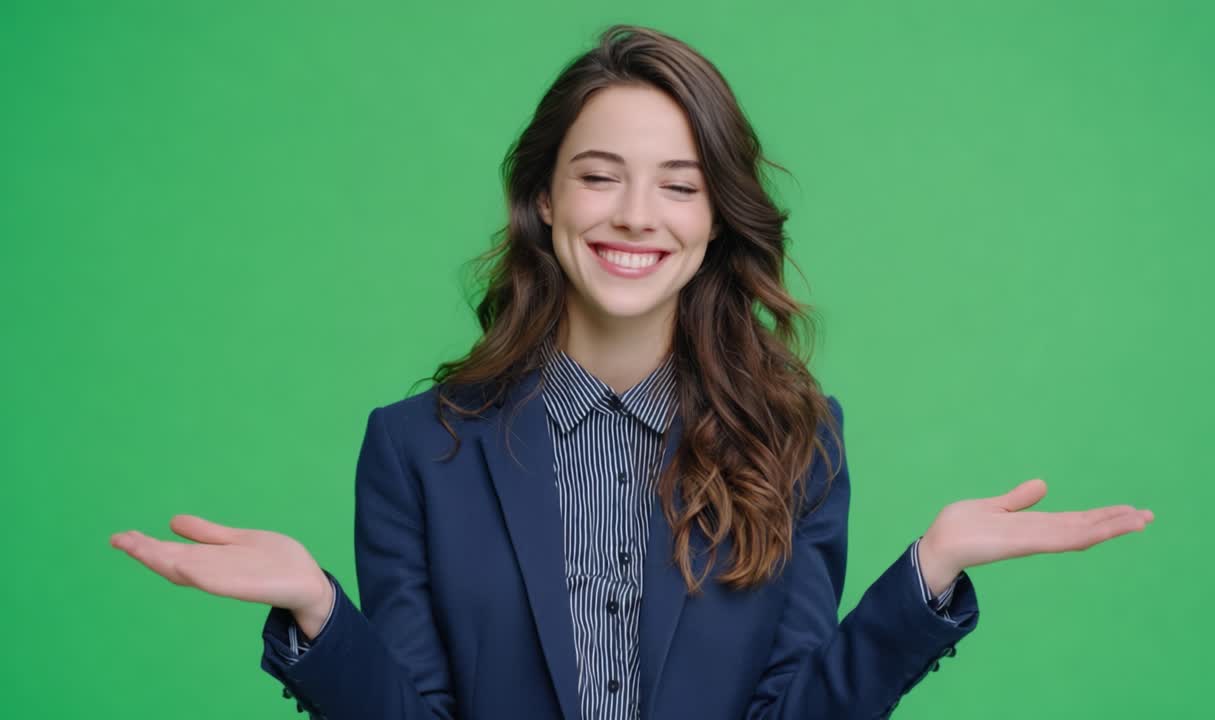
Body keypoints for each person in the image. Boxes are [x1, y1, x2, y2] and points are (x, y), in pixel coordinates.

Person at [108, 24, 1154, 720]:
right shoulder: (415, 448)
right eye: (597, 176)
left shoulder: (796, 440)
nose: (634, 217)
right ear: (545, 203)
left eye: (678, 186)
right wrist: (317, 614)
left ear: (713, 219)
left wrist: (921, 580)